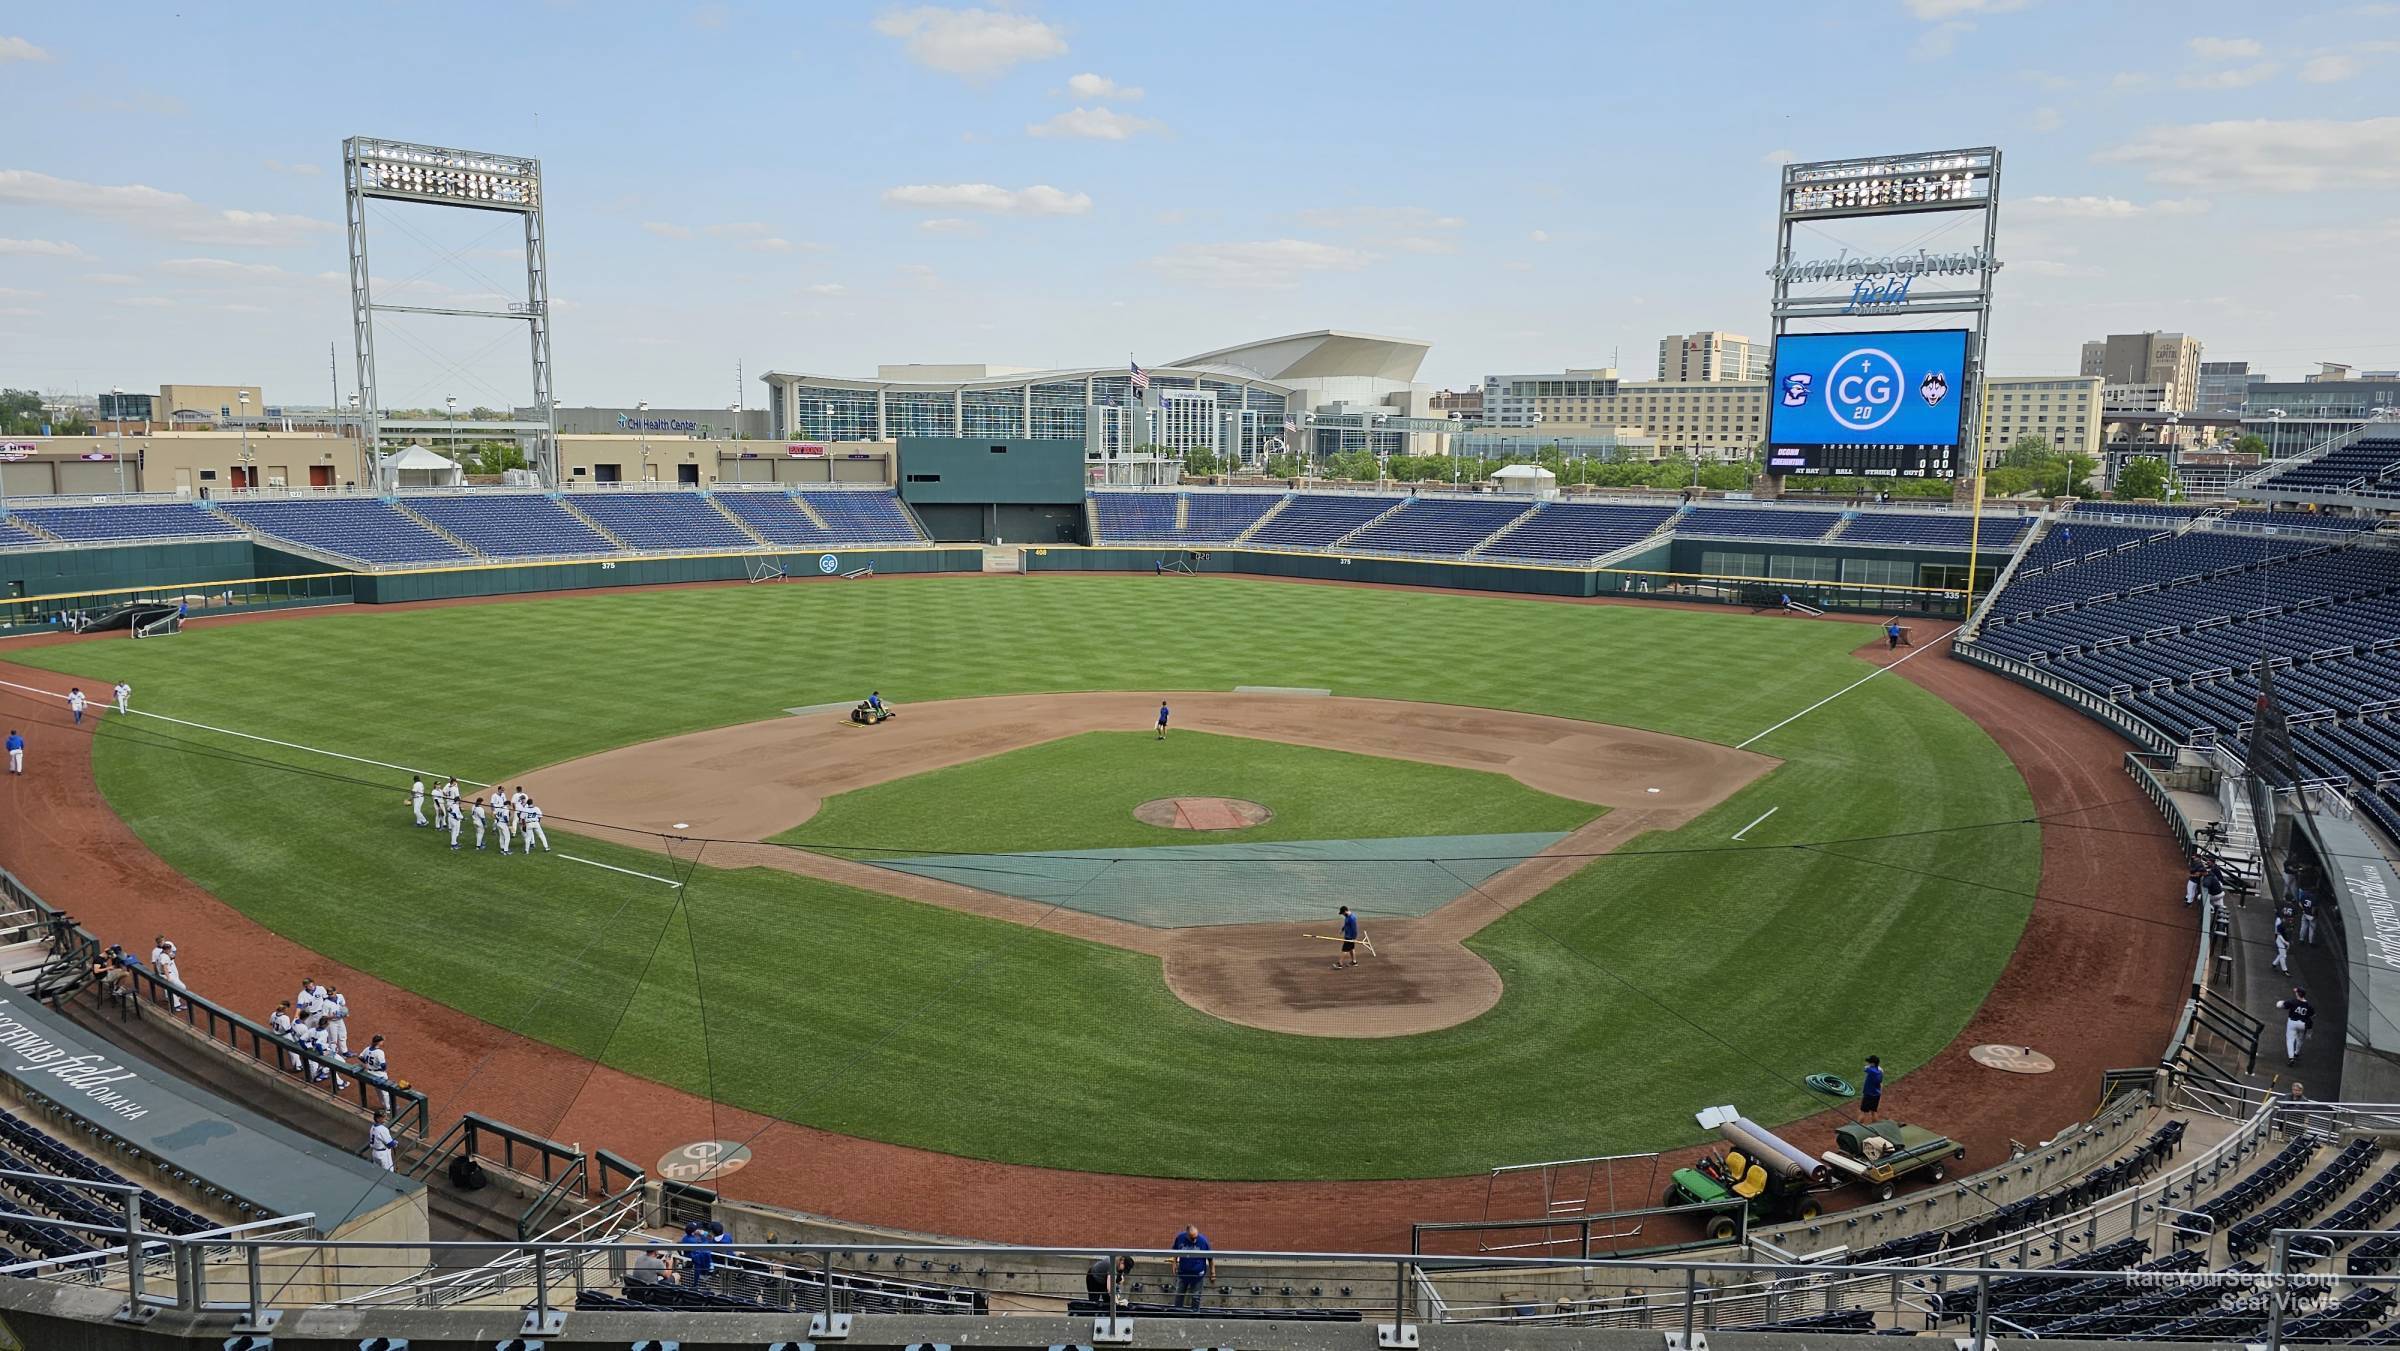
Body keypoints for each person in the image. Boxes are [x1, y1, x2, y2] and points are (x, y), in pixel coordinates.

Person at [1170, 1224, 1212, 1309]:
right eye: (1192, 1238)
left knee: (1196, 1297)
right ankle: (1177, 1313)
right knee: (1179, 1295)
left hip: (1198, 1276)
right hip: (1183, 1274)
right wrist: (1174, 1263)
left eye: (1196, 1237)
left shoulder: (1203, 1241)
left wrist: (1213, 1273)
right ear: (1187, 1234)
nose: (1195, 1239)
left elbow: (1211, 1258)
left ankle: (1195, 1315)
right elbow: (1175, 1251)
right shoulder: (1180, 1238)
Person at [2277, 987, 2315, 1065]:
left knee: (2290, 1039)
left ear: (2297, 993)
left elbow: (2281, 1005)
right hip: (2303, 1024)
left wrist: (2281, 1003)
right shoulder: (2308, 1005)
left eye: (2296, 992)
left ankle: (2291, 1058)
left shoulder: (2293, 1001)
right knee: (2300, 1039)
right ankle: (2296, 1053)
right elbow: (2313, 1015)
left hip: (2292, 1023)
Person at [359, 1034, 392, 1110]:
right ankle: (388, 1108)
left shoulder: (367, 1049)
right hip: (379, 1074)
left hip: (370, 1073)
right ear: (379, 1042)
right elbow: (383, 1065)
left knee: (378, 1090)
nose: (383, 1042)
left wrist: (366, 1063)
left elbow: (360, 1056)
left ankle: (384, 1105)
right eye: (382, 1041)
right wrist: (384, 1070)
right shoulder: (379, 1052)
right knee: (385, 1092)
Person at [324, 985, 350, 1054]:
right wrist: (333, 1016)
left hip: (340, 1020)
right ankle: (331, 1053)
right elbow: (324, 1017)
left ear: (335, 992)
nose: (330, 995)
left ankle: (344, 1052)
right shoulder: (326, 1003)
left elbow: (343, 1005)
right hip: (331, 1023)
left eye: (331, 993)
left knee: (343, 1035)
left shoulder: (340, 996)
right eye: (329, 994)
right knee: (333, 1039)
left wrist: (345, 1013)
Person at [1334, 905, 1360, 970]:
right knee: (1351, 949)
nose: (1342, 914)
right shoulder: (1347, 917)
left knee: (1344, 950)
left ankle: (1340, 964)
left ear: (1345, 911)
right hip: (1347, 936)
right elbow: (1346, 925)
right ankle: (1354, 962)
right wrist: (1342, 930)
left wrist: (1354, 938)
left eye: (1342, 913)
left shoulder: (1352, 918)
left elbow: (1354, 929)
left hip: (1350, 937)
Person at [1860, 1055, 1884, 1121]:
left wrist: (1871, 1066)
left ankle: (1858, 1127)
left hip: (1868, 1094)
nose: (1868, 1063)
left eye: (1870, 1062)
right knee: (1874, 1112)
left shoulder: (1870, 1070)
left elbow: (1865, 1068)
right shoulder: (1880, 1072)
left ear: (1873, 1063)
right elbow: (1881, 1083)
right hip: (1876, 1094)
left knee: (1863, 1112)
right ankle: (1875, 1128)